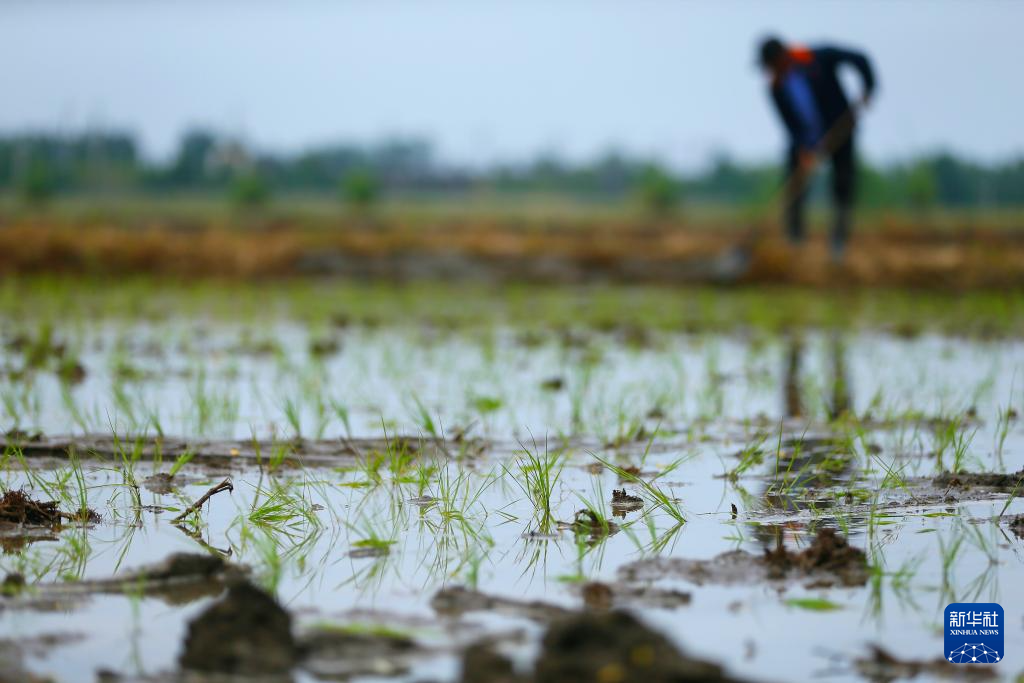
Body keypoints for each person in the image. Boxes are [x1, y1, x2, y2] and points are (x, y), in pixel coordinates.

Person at [758, 36, 876, 261]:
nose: (770, 71)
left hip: (840, 127)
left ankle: (838, 245)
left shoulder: (817, 59)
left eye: (772, 65)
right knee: (793, 187)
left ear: (782, 57)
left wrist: (868, 89)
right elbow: (789, 124)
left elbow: (860, 59)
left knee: (843, 184)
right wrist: (803, 147)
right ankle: (795, 243)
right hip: (806, 139)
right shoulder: (775, 88)